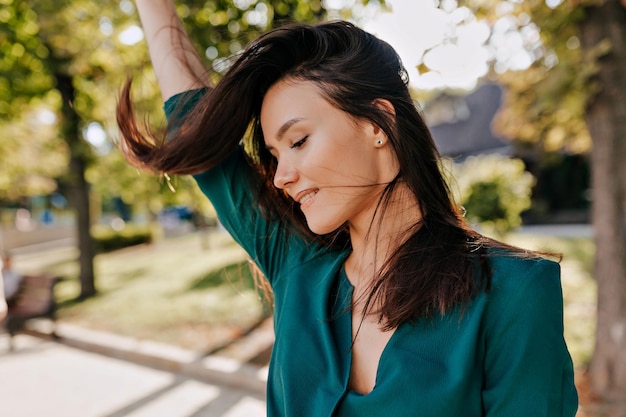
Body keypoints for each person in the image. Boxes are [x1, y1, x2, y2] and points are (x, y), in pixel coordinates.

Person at [117, 1, 578, 415]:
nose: (281, 177)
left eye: (298, 141)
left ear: (377, 123)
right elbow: (200, 134)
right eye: (275, 156)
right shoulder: (298, 267)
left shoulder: (515, 292)